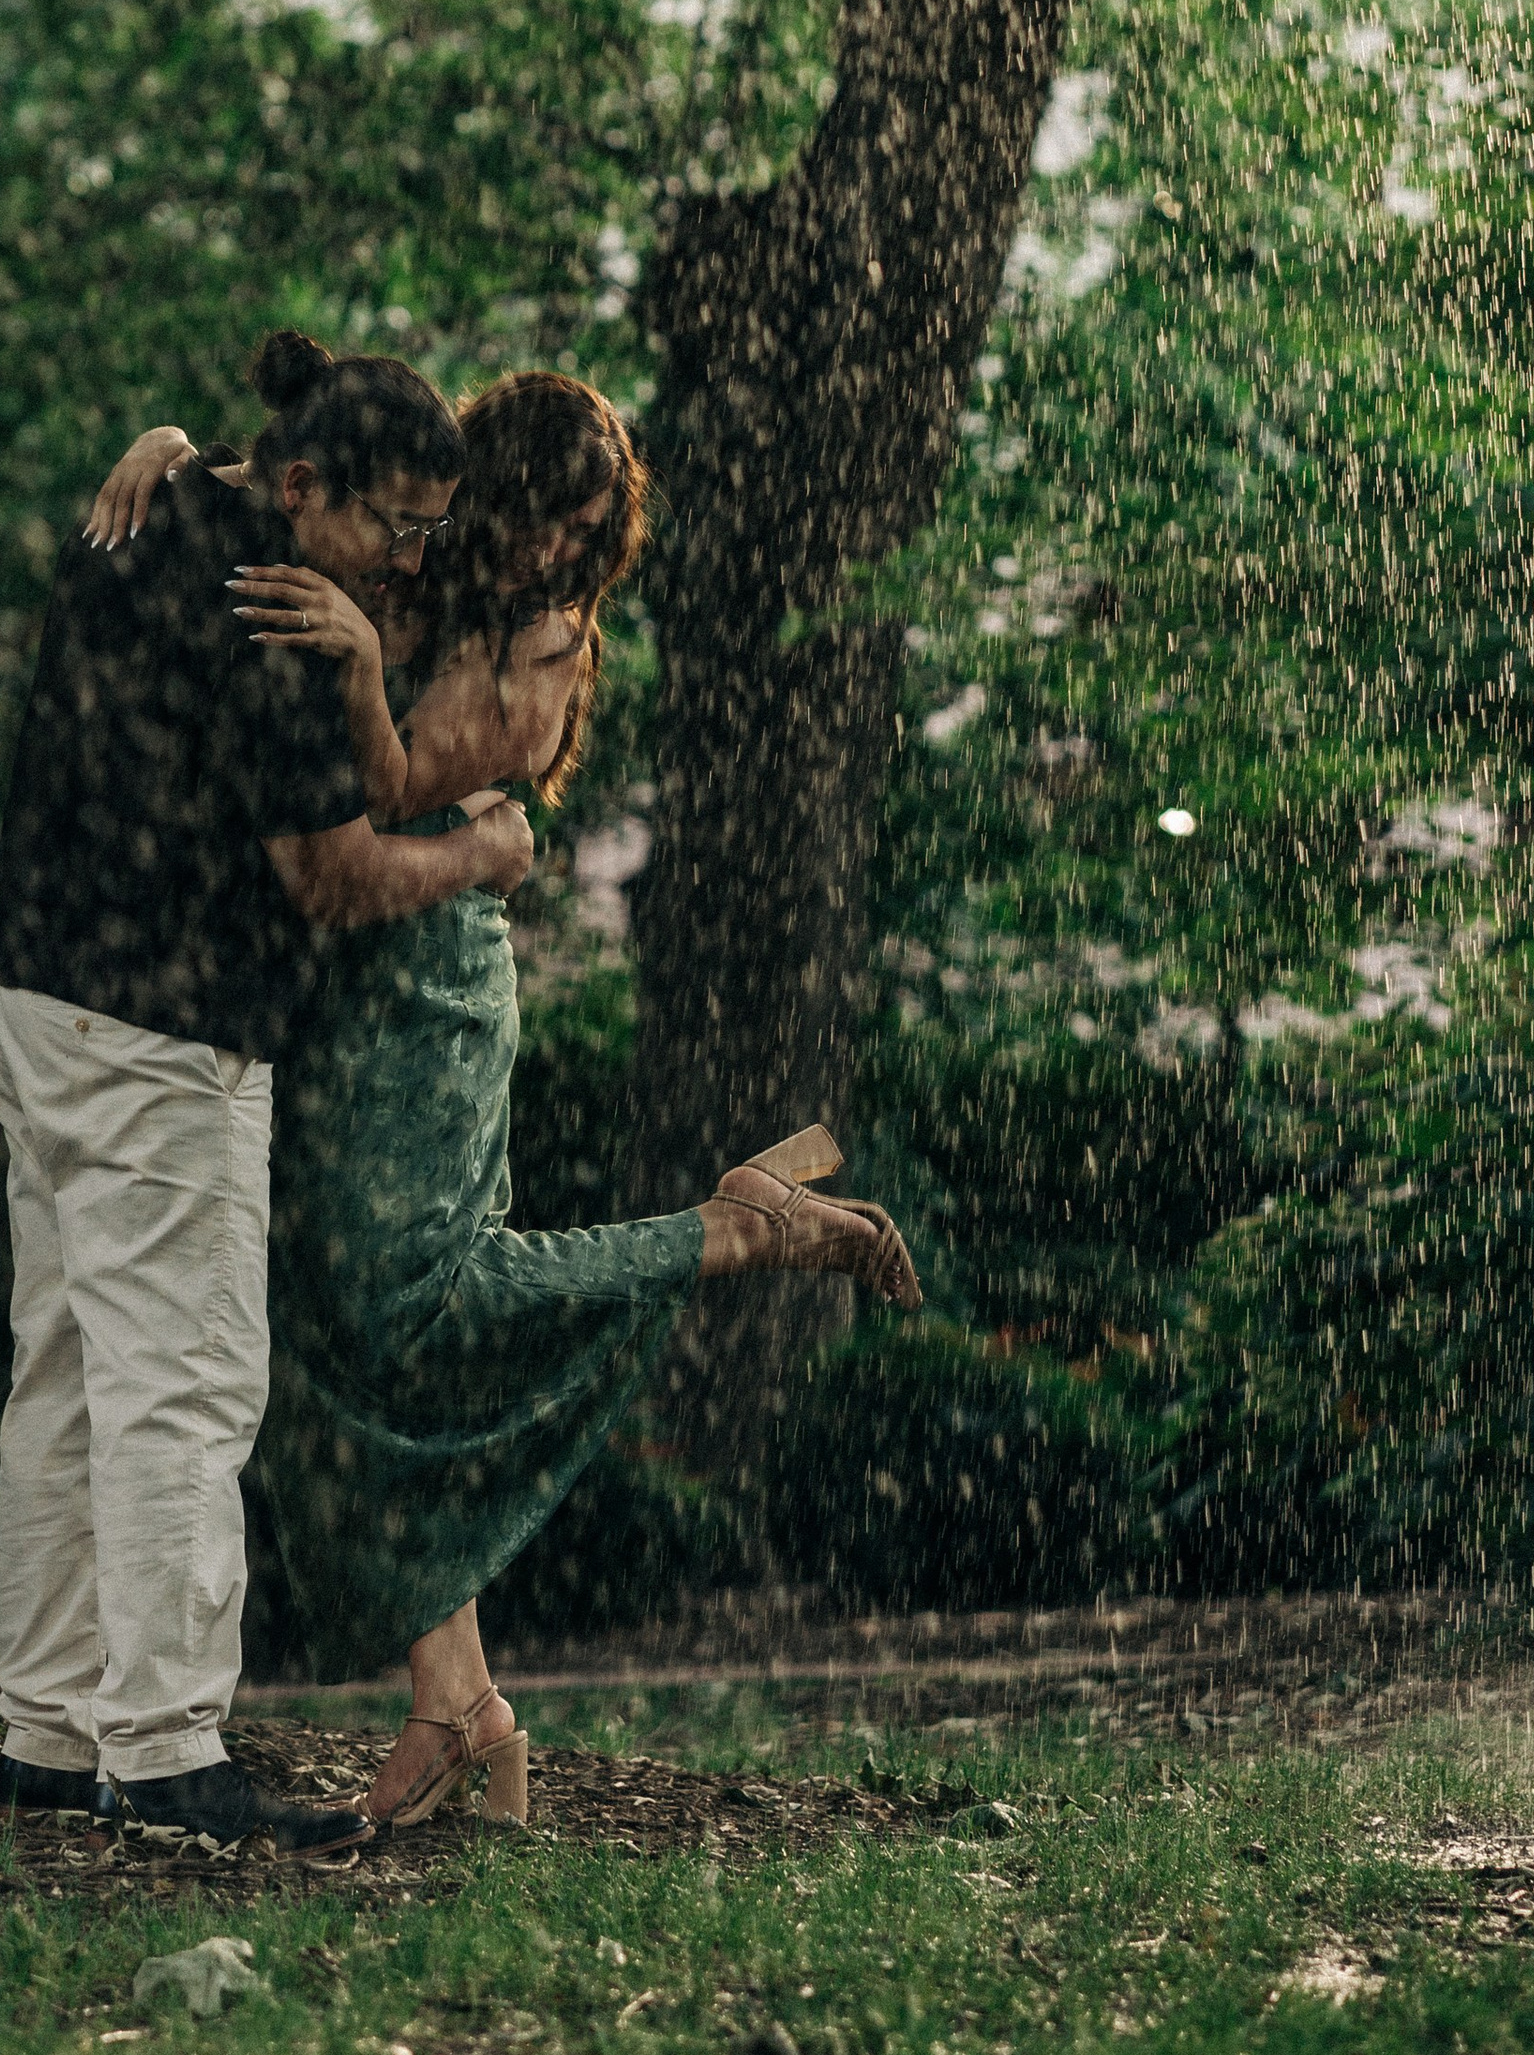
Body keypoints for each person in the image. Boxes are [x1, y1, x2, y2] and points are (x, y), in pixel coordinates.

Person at [87, 368, 916, 1833]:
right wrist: (177, 454)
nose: (555, 551)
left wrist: (358, 667)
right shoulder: (415, 558)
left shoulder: (545, 638)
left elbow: (405, 780)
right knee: (319, 1345)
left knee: (423, 1303)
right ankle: (459, 1704)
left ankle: (730, 1232)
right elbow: (300, 486)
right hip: (321, 979)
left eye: (587, 531)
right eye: (539, 516)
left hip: (423, 988)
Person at [0, 329, 536, 1859]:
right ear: (302, 488)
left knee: (64, 1376)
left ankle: (47, 1734)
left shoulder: (142, 518)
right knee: (188, 1383)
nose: (408, 560)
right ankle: (166, 1756)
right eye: (394, 526)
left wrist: (168, 438)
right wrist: (482, 856)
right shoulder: (279, 613)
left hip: (27, 996)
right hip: (162, 1030)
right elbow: (333, 879)